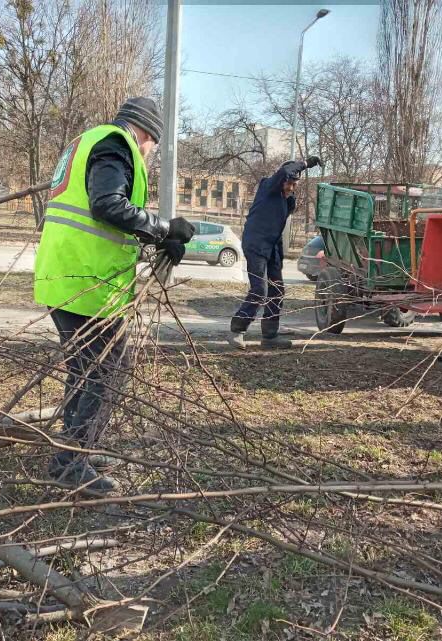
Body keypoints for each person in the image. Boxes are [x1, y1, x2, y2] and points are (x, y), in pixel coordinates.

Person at [34, 96, 195, 492]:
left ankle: (75, 449)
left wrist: (155, 243)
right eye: (153, 146)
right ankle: (70, 463)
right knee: (104, 371)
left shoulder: (88, 142)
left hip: (69, 275)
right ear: (146, 134)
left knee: (87, 370)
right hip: (86, 281)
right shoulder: (116, 144)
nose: (151, 154)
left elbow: (100, 224)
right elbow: (107, 205)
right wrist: (162, 228)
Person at [229, 155, 320, 349]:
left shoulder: (286, 201)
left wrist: (279, 256)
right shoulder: (267, 187)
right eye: (289, 183)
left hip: (272, 247)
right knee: (259, 290)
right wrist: (305, 164)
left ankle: (269, 336)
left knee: (277, 290)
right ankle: (237, 329)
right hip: (256, 244)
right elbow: (285, 172)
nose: (291, 187)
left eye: (294, 184)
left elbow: (277, 226)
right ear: (282, 179)